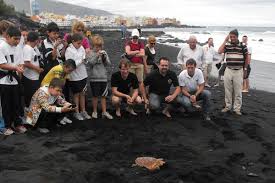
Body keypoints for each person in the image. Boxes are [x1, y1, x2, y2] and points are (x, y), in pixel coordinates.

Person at [0, 26, 26, 135]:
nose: (17, 41)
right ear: (7, 37)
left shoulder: (18, 47)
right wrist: (15, 68)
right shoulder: (2, 46)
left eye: (19, 39)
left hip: (15, 79)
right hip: (3, 80)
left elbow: (21, 62)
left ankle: (17, 123)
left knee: (17, 103)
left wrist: (20, 69)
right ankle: (6, 126)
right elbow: (1, 64)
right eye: (15, 39)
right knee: (6, 104)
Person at [218, 29, 249, 115]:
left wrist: (245, 69)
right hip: (228, 69)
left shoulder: (243, 45)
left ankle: (237, 109)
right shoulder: (227, 45)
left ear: (237, 36)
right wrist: (225, 40)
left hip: (239, 71)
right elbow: (219, 51)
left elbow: (246, 58)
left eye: (233, 37)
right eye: (231, 37)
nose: (232, 38)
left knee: (238, 91)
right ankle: (228, 107)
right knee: (228, 90)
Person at [65, 33, 91, 120]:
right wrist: (82, 60)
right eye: (78, 43)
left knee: (83, 93)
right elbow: (70, 65)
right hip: (74, 76)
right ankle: (76, 112)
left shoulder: (81, 48)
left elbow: (84, 60)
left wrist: (86, 59)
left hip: (83, 74)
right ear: (73, 41)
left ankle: (83, 111)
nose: (80, 45)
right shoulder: (69, 50)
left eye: (81, 43)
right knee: (76, 94)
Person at [87, 35, 113, 119]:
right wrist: (96, 56)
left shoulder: (104, 52)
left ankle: (104, 112)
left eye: (100, 46)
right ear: (92, 45)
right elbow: (90, 63)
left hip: (103, 78)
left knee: (103, 96)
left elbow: (108, 64)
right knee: (95, 96)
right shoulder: (90, 53)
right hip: (94, 78)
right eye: (96, 46)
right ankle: (94, 111)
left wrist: (104, 57)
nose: (98, 48)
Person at [22, 31, 44, 107]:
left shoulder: (32, 48)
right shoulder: (28, 48)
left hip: (33, 77)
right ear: (36, 40)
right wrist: (37, 69)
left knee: (33, 97)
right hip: (30, 77)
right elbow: (26, 63)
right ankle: (29, 112)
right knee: (31, 97)